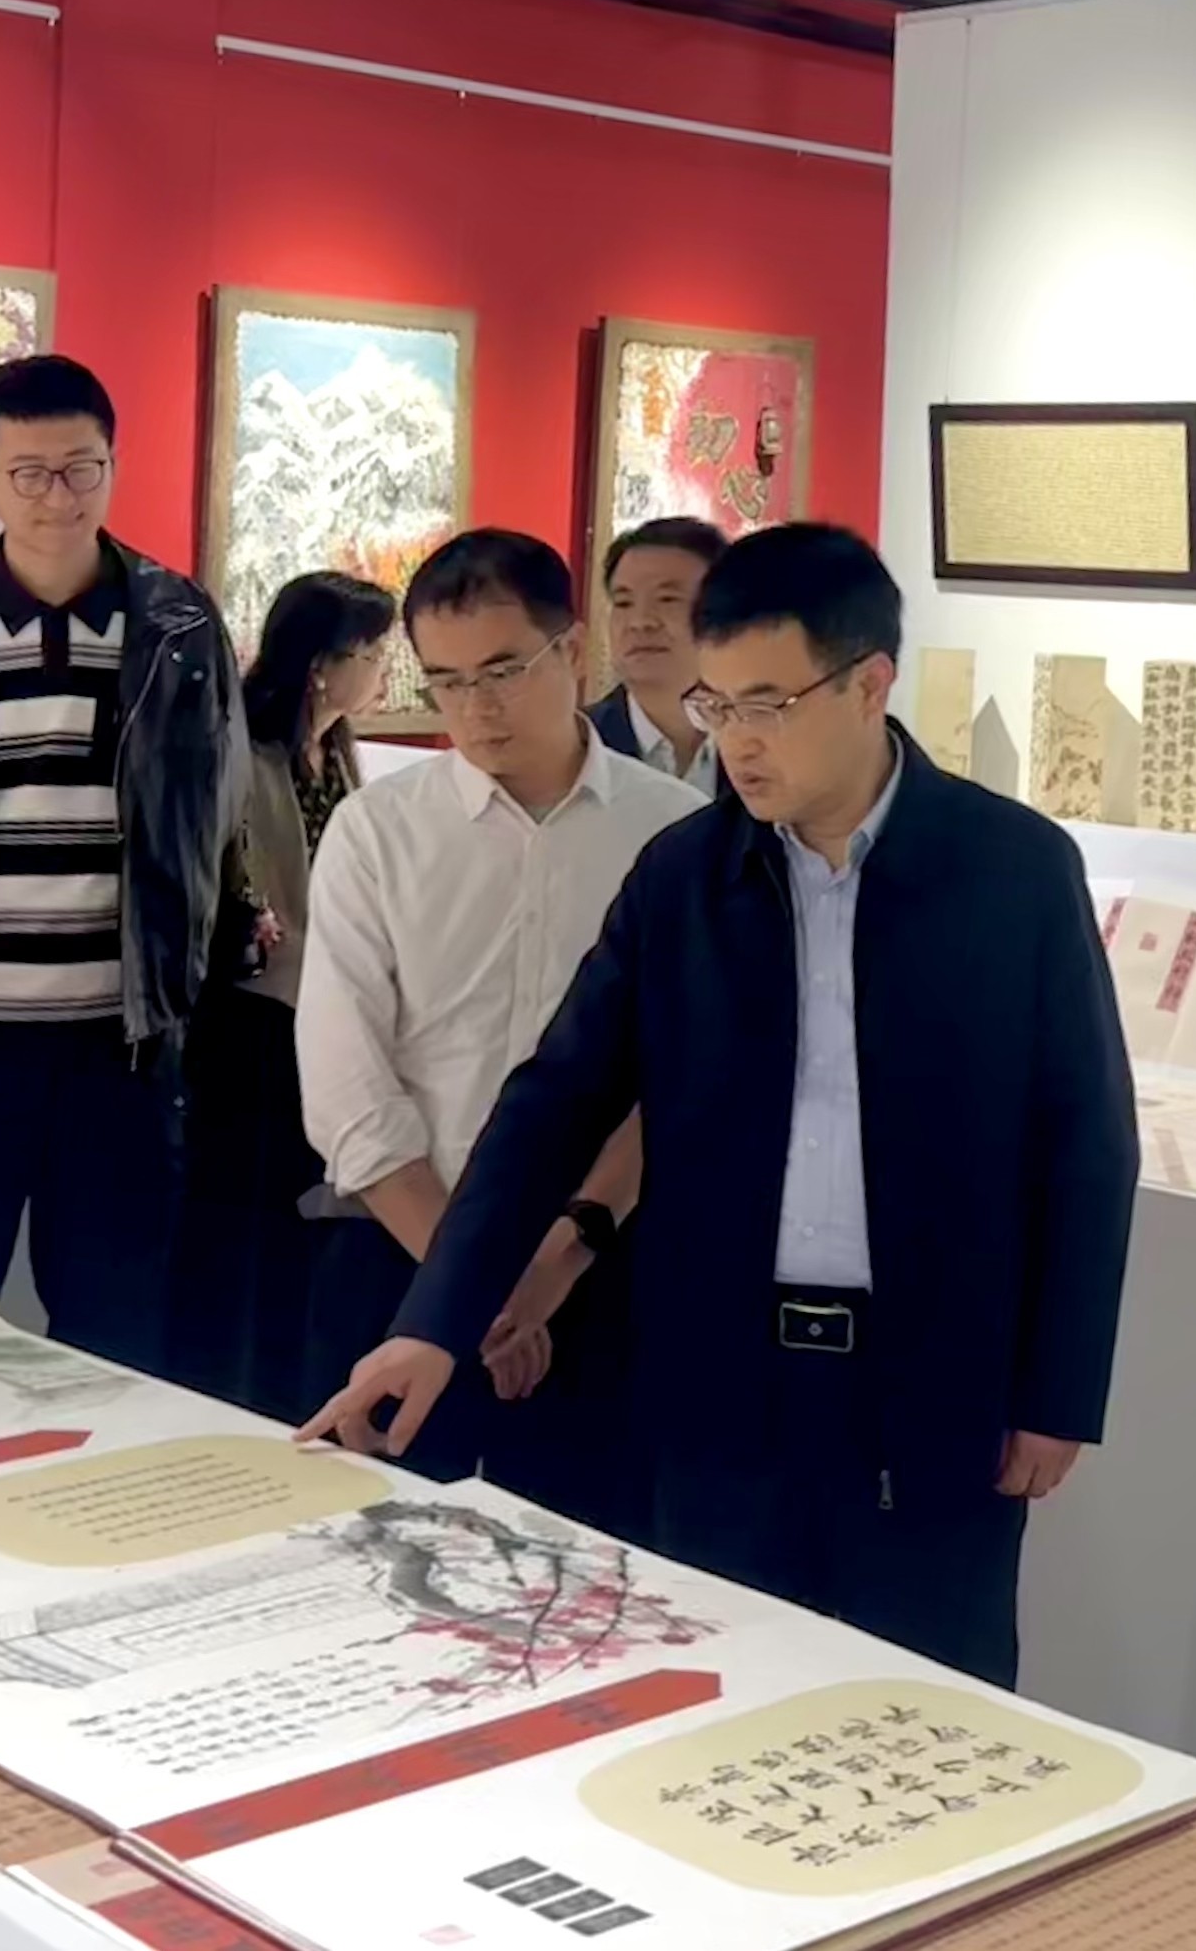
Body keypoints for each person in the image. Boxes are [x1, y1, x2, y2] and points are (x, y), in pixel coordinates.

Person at [304, 524, 1138, 1686]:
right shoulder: (683, 874)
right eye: (717, 703)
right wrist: (434, 1321)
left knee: (930, 1701)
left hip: (934, 1378)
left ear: (867, 684)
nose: (734, 739)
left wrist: (1058, 1390)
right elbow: (553, 1102)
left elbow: (1085, 1142)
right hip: (720, 1377)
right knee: (714, 1690)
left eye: (767, 704)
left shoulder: (1011, 869)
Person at [0, 355, 244, 1372]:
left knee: (116, 1340)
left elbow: (210, 815)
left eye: (80, 469)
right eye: (28, 473)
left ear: (113, 466)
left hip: (119, 1046)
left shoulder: (180, 625)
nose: (57, 497)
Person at [292, 531, 702, 1510]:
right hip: (393, 1253)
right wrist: (471, 1289)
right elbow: (347, 1086)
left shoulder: (674, 833)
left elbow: (674, 1078)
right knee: (364, 1552)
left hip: (595, 1272)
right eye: (446, 680)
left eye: (504, 670)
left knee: (589, 1570)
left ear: (572, 650)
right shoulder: (377, 830)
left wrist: (546, 1270)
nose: (476, 706)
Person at [173, 568, 395, 1421]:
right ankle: (220, 1393)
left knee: (300, 1223)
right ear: (321, 665)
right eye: (371, 654)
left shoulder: (335, 753)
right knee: (241, 1221)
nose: (382, 672)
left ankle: (278, 1393)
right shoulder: (242, 747)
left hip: (321, 1013)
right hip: (248, 1019)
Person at [587, 516, 727, 797]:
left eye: (667, 599)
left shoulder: (763, 742)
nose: (640, 622)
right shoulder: (575, 747)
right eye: (624, 603)